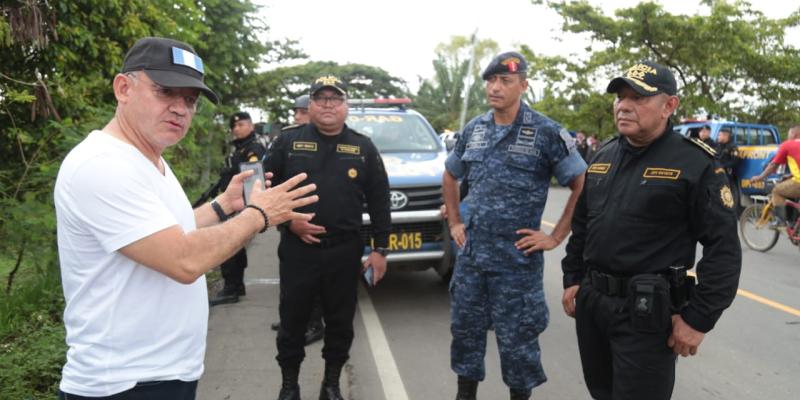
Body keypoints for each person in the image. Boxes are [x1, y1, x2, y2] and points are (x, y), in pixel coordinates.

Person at [54, 37, 317, 399]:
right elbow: (184, 258)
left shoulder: (150, 158)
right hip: (124, 383)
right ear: (123, 88)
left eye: (190, 100)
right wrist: (260, 214)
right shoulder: (102, 165)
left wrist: (224, 206)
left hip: (162, 373)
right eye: (166, 92)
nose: (180, 109)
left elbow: (165, 230)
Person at [561, 61, 742, 400]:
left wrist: (699, 318)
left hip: (646, 314)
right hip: (594, 305)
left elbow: (723, 249)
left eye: (638, 98)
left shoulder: (695, 163)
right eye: (620, 97)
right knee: (602, 392)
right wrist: (572, 278)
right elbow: (583, 224)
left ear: (669, 106)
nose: (624, 106)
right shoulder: (605, 154)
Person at [443, 51, 587, 400]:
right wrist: (456, 222)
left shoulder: (546, 132)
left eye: (505, 81)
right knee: (466, 336)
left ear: (523, 85)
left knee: (518, 343)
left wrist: (555, 236)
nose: (495, 88)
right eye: (491, 81)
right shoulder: (474, 129)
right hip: (472, 258)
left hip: (516, 264)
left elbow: (582, 184)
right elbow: (450, 173)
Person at [265, 75, 391, 400]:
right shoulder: (287, 142)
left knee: (340, 323)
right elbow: (263, 189)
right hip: (297, 250)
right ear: (310, 105)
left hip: (344, 253)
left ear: (345, 106)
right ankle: (289, 384)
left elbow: (380, 200)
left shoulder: (362, 147)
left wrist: (381, 250)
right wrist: (289, 221)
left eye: (335, 99)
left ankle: (331, 383)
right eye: (321, 99)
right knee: (292, 320)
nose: (328, 105)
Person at [209, 111, 269, 306]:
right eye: (234, 126)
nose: (237, 128)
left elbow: (253, 177)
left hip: (240, 204)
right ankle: (235, 285)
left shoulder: (253, 149)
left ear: (251, 126)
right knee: (234, 245)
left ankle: (231, 288)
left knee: (229, 244)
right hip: (230, 202)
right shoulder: (238, 148)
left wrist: (249, 207)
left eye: (241, 125)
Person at [751, 125, 800, 225]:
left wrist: (760, 177)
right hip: (796, 178)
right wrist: (791, 175)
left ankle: (780, 221)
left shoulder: (787, 145)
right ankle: (794, 223)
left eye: (789, 134)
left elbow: (773, 165)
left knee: (777, 191)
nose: (788, 137)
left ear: (794, 134)